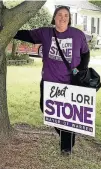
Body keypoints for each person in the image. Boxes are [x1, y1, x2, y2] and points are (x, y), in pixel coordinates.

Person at [13, 6, 90, 156]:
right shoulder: (45, 33)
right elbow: (27, 35)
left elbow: (85, 54)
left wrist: (80, 70)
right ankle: (66, 135)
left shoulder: (77, 35)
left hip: (69, 84)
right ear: (54, 17)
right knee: (47, 109)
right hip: (49, 82)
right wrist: (10, 31)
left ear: (69, 19)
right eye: (59, 15)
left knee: (67, 115)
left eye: (66, 15)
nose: (63, 18)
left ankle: (66, 148)